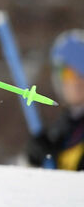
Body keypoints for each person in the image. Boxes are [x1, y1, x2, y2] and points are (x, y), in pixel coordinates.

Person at [26, 30, 84, 170]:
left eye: (81, 71)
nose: (76, 81)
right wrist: (34, 159)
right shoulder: (62, 127)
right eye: (68, 74)